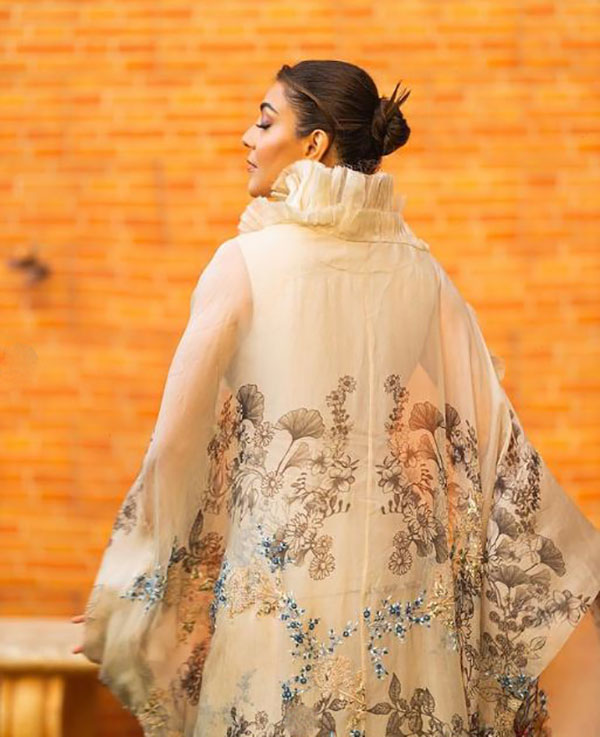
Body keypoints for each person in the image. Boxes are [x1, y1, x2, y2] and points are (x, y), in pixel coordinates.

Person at [71, 60, 600, 737]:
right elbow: (494, 434)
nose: (247, 137)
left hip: (281, 594)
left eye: (265, 121)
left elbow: (175, 443)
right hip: (405, 601)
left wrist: (133, 589)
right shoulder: (421, 271)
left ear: (314, 143)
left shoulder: (244, 264)